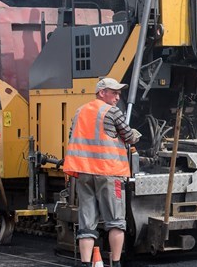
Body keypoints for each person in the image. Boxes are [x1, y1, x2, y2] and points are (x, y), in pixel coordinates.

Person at [63, 77, 141, 267]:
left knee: (87, 222)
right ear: (101, 93)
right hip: (108, 172)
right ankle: (115, 263)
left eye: (119, 93)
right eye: (114, 93)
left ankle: (85, 264)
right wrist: (136, 136)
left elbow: (74, 136)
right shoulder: (112, 112)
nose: (117, 97)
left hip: (84, 173)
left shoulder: (79, 111)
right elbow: (128, 136)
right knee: (115, 221)